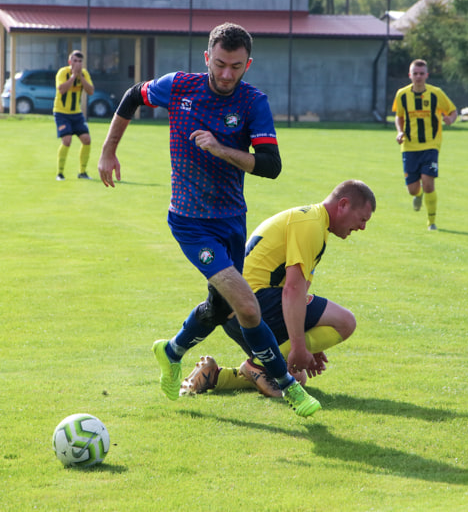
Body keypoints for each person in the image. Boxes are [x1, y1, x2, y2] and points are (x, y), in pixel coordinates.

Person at [97, 22, 320, 417]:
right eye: (219, 64)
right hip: (189, 221)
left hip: (232, 220)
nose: (226, 74)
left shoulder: (253, 103)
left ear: (247, 64)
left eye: (236, 66)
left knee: (219, 309)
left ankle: (171, 351)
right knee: (248, 307)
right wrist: (108, 151)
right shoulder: (179, 86)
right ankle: (287, 387)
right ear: (207, 59)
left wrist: (221, 150)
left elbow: (270, 166)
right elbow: (132, 96)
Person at [179, 180, 376, 398]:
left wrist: (309, 342)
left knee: (297, 377)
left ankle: (215, 376)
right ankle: (258, 367)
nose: (362, 227)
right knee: (346, 322)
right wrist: (300, 346)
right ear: (344, 204)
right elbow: (293, 290)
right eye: (362, 219)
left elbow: (295, 289)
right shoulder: (311, 224)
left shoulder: (311, 220)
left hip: (234, 311)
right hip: (252, 303)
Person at [392, 59, 457, 231]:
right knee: (413, 189)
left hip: (431, 146)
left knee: (429, 183)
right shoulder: (402, 95)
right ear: (410, 75)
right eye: (415, 73)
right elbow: (399, 116)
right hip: (409, 147)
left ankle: (431, 222)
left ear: (427, 75)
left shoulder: (436, 93)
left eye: (422, 73)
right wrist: (399, 131)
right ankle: (418, 195)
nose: (418, 76)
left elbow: (453, 110)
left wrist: (450, 119)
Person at [54, 50, 95, 181]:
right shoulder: (62, 72)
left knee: (87, 140)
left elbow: (90, 91)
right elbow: (61, 89)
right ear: (69, 62)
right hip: (61, 113)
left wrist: (80, 77)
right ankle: (60, 173)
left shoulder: (84, 74)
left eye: (80, 61)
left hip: (76, 114)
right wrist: (73, 77)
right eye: (75, 61)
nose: (77, 63)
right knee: (67, 140)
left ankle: (82, 172)